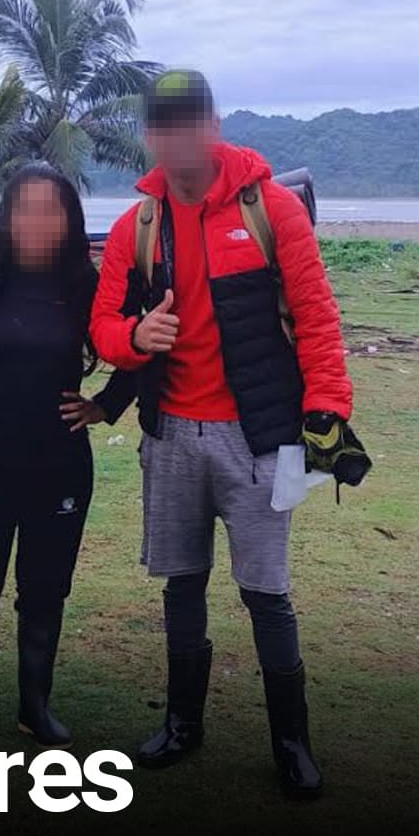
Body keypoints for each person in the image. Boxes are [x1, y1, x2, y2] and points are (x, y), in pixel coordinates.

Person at [89, 69, 355, 798]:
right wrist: (135, 337)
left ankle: (292, 743)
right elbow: (103, 324)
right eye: (163, 124)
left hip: (259, 436)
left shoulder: (270, 209)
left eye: (191, 121)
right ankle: (183, 724)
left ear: (213, 125)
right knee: (182, 582)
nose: (177, 137)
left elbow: (316, 316)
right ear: (149, 135)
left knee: (265, 592)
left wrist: (327, 407)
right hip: (171, 434)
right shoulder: (137, 226)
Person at [0, 163, 135, 753]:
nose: (38, 221)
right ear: (7, 217)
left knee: (45, 592)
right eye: (26, 209)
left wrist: (106, 404)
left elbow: (138, 347)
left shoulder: (86, 288)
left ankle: (34, 707)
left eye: (52, 210)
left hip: (61, 467)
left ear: (69, 219)